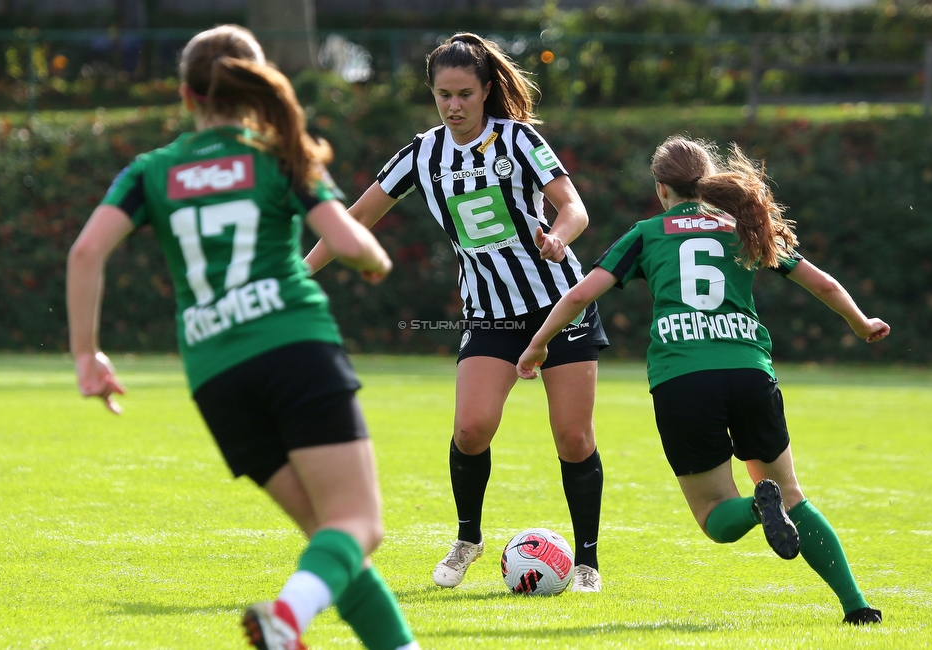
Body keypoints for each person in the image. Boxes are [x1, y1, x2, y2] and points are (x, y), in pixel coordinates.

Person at [66, 25, 419, 650]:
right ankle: (286, 618)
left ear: (185, 96)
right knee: (358, 524)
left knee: (332, 543)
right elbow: (346, 241)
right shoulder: (277, 155)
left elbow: (87, 251)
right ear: (257, 89)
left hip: (215, 376)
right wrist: (374, 261)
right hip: (293, 350)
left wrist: (86, 356)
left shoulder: (152, 171)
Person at [517, 135, 888, 625]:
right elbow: (823, 282)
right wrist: (860, 322)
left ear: (660, 189)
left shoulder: (648, 233)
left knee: (716, 515)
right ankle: (856, 606)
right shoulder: (744, 228)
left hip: (683, 380)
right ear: (707, 182)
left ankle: (757, 509)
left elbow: (580, 296)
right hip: (749, 373)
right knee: (792, 494)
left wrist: (539, 342)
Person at [305, 33, 608, 592]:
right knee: (470, 429)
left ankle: (587, 560)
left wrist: (560, 238)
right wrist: (301, 274)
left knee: (573, 438)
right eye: (443, 94)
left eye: (465, 93)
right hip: (490, 313)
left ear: (487, 90)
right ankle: (469, 538)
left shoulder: (519, 140)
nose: (454, 105)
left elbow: (574, 208)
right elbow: (356, 217)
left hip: (559, 304)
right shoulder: (422, 153)